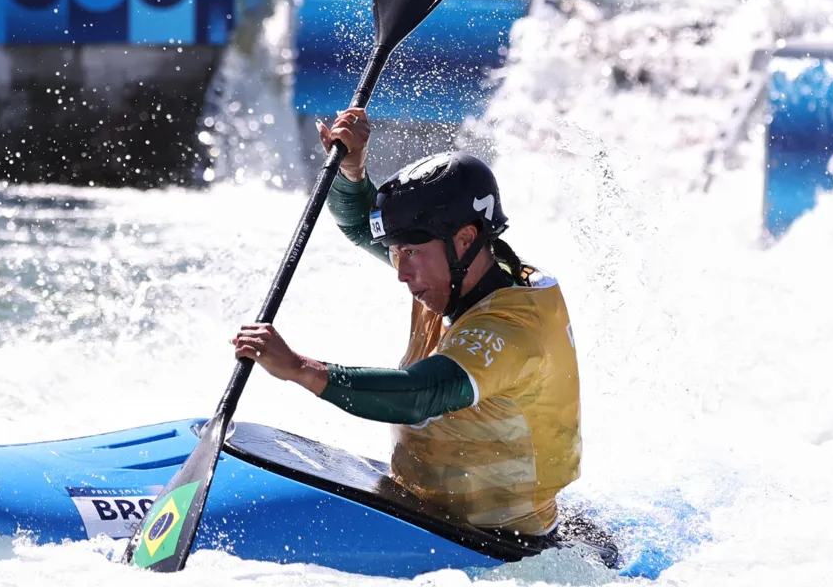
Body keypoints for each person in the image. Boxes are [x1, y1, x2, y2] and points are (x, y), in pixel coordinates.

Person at [232, 106, 583, 541]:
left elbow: (422, 393)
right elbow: (363, 226)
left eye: (412, 252)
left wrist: (300, 369)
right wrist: (351, 168)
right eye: (397, 253)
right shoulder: (452, 276)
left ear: (466, 239)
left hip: (500, 543)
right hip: (423, 508)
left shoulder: (514, 327)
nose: (401, 272)